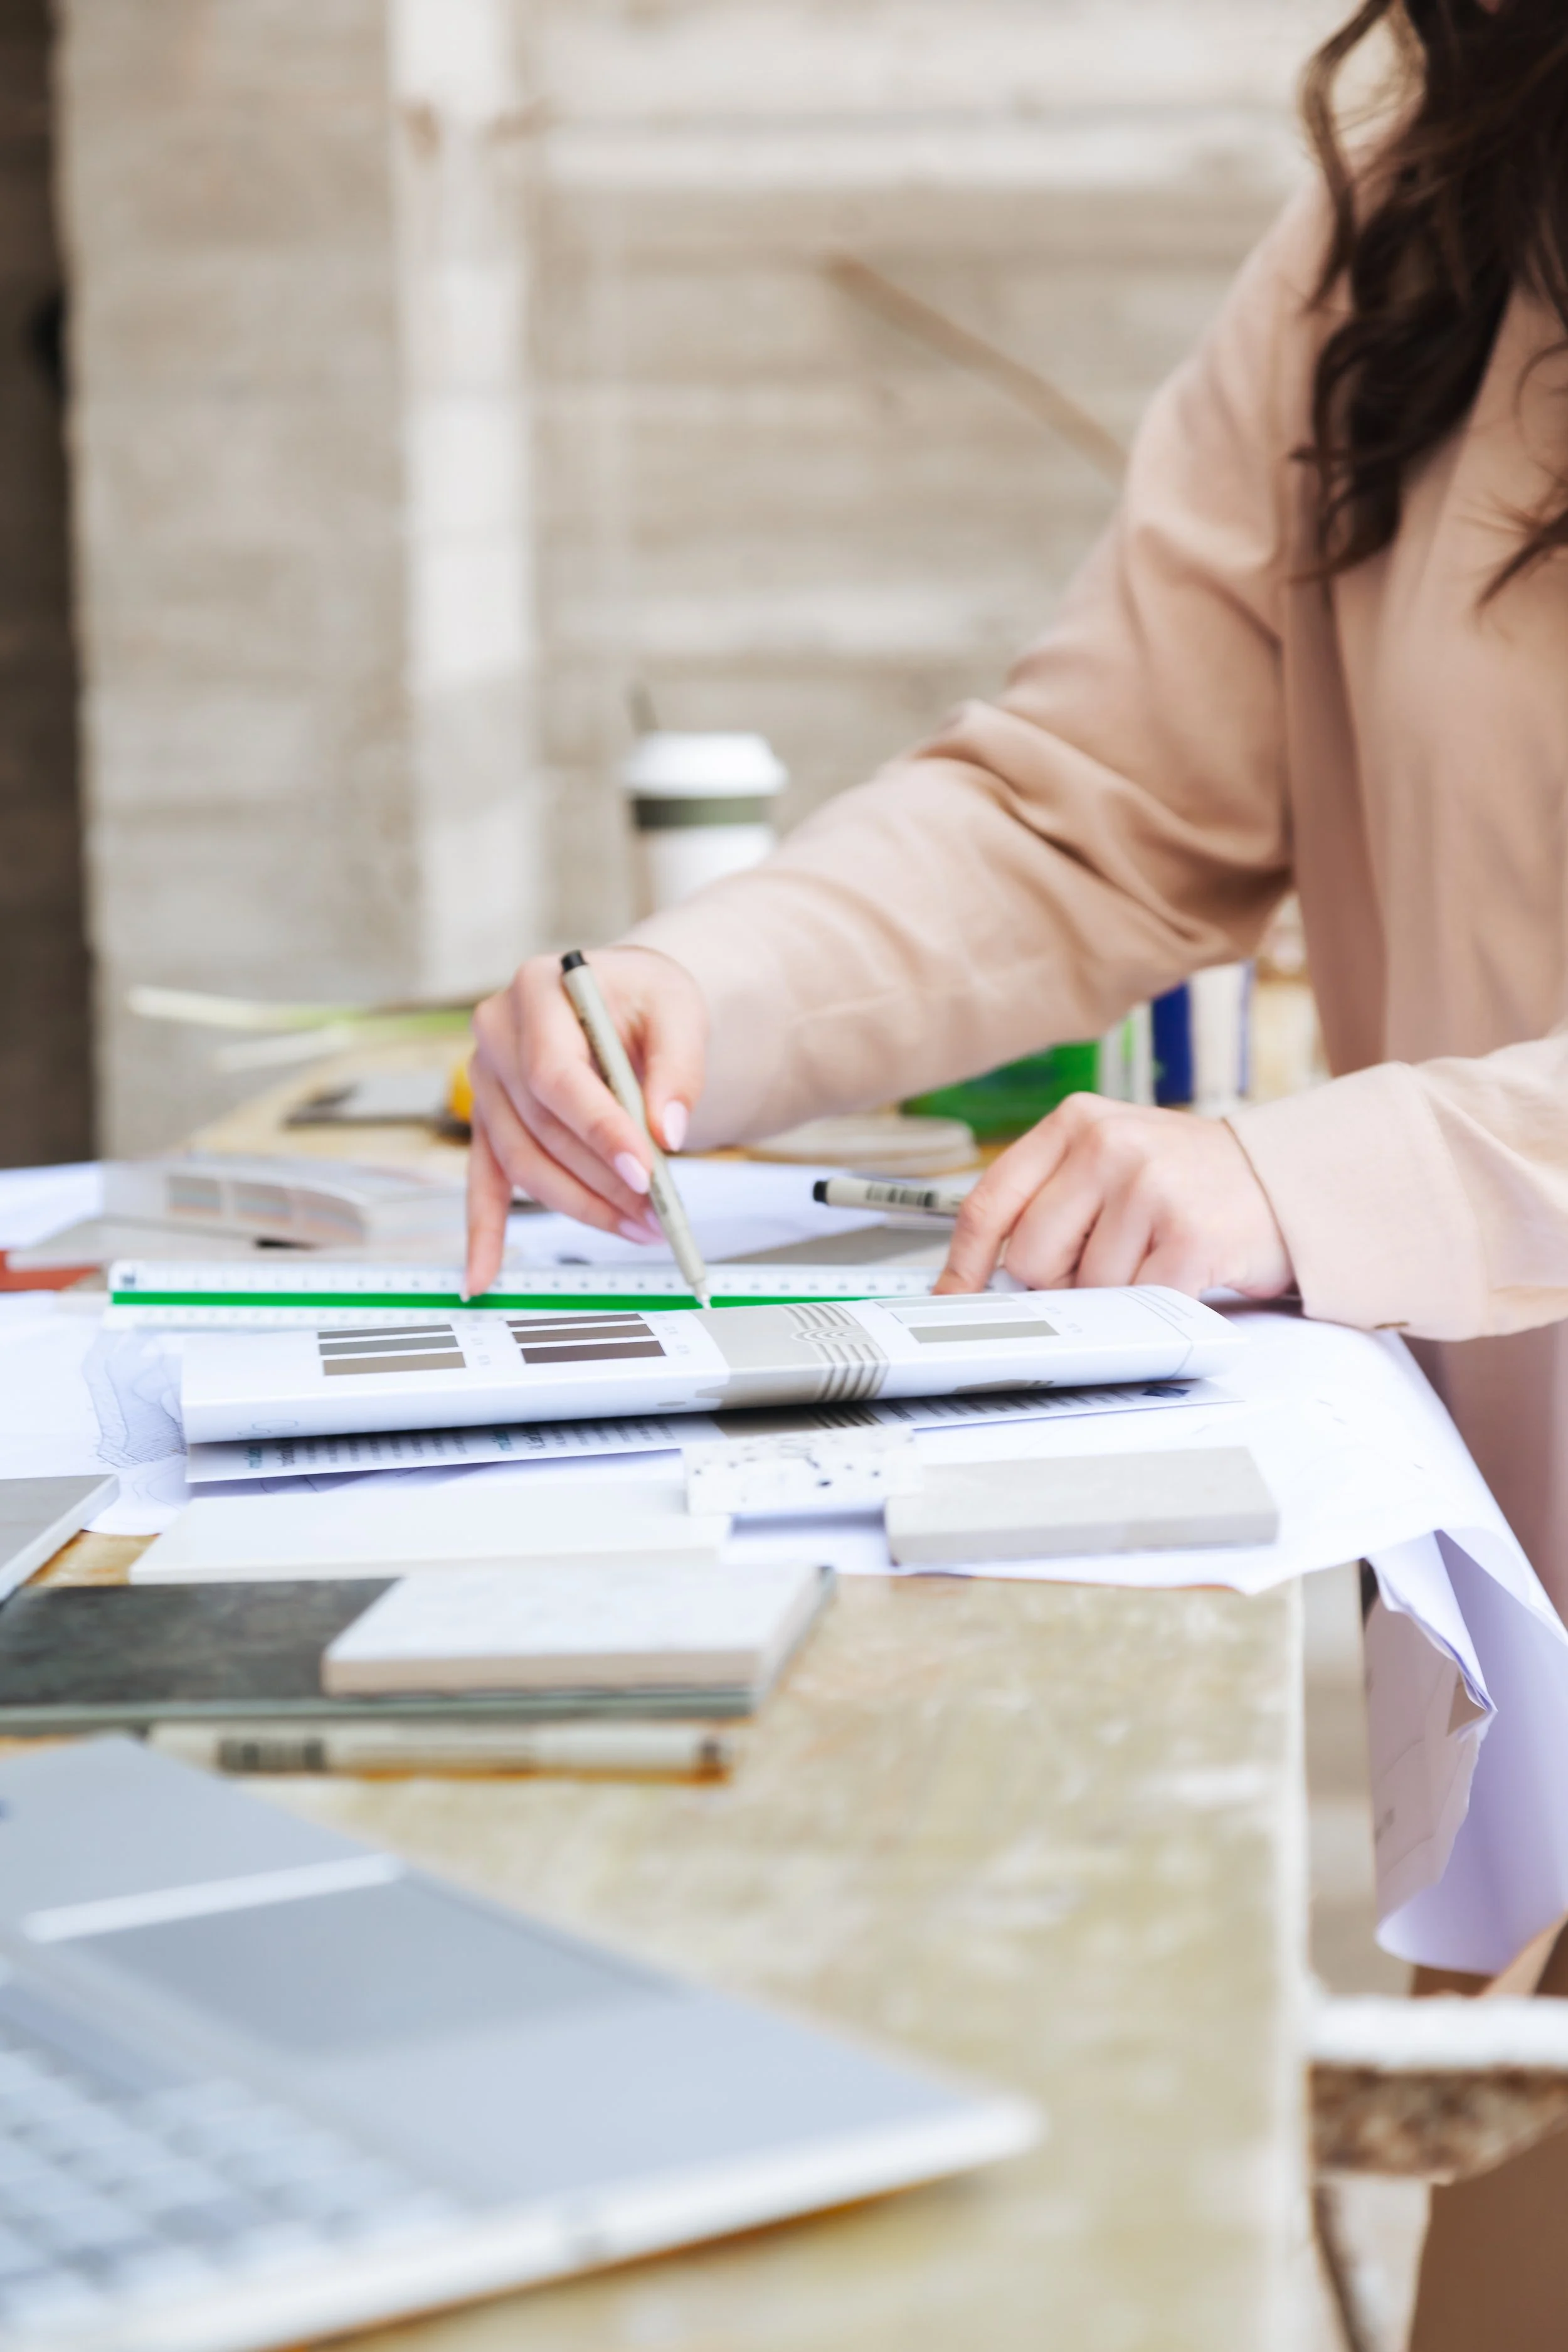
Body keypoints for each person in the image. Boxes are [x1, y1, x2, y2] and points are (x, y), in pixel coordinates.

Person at [467, 7, 1568, 2336]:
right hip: (1529, 1629)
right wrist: (699, 985)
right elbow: (1097, 789)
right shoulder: (1439, 190)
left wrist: (1324, 1171)